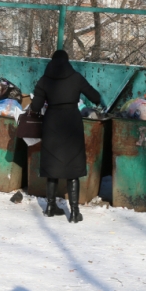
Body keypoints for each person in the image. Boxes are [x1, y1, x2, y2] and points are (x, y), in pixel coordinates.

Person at [30, 50, 102, 223]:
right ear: (67, 62)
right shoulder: (76, 77)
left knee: (52, 167)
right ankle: (75, 213)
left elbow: (35, 106)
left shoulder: (44, 80)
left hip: (52, 123)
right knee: (73, 167)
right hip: (72, 123)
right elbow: (95, 97)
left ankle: (50, 207)